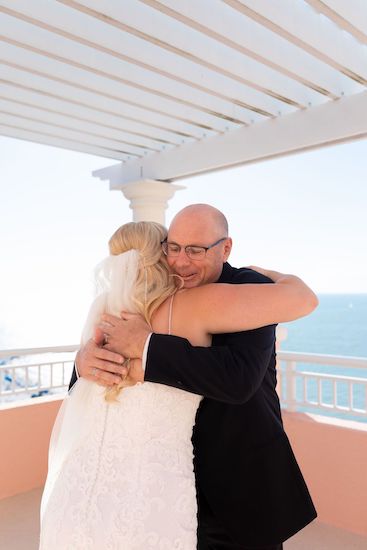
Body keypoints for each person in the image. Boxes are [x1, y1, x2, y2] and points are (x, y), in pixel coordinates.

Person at [62, 211, 318, 550]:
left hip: (238, 469)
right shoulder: (145, 298)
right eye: (174, 247)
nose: (181, 262)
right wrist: (84, 362)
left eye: (196, 250)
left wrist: (146, 347)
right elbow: (87, 384)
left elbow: (238, 380)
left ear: (225, 248)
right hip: (165, 476)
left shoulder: (249, 290)